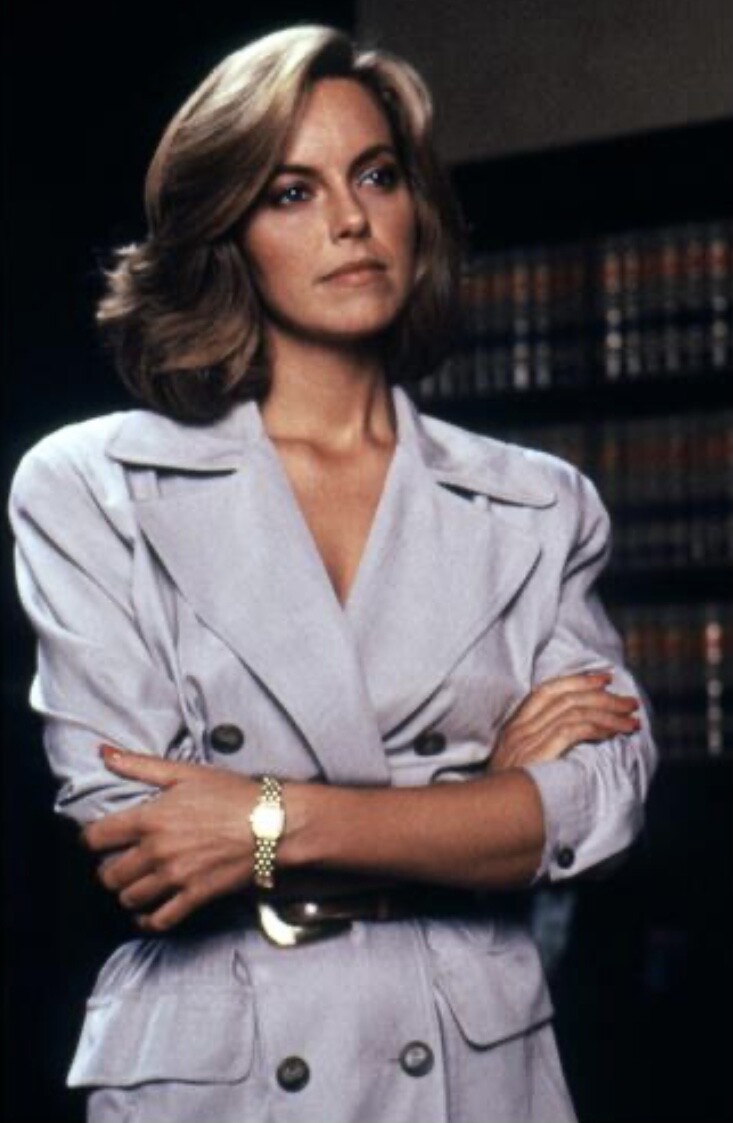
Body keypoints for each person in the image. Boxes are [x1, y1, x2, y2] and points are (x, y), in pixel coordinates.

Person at [9, 24, 658, 1123]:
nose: (351, 220)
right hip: (221, 1076)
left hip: (471, 1070)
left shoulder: (536, 502)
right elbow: (145, 841)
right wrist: (474, 808)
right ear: (227, 231)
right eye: (291, 192)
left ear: (415, 206)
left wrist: (263, 820)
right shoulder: (91, 484)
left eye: (376, 175)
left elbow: (599, 806)